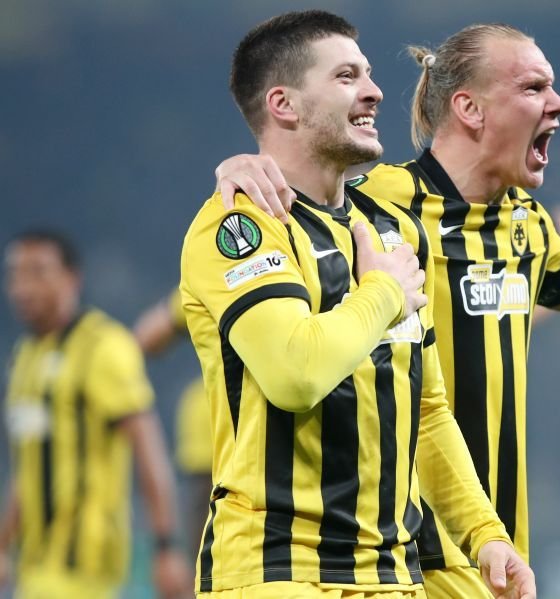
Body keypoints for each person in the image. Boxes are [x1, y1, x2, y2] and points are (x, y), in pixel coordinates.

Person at [213, 21, 560, 598]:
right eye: (533, 87)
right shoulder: (379, 206)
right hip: (401, 557)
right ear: (470, 109)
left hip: (494, 557)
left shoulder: (524, 223)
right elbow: (285, 237)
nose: (558, 103)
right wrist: (244, 167)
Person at [180, 11, 534, 598]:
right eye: (347, 76)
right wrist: (383, 294)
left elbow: (427, 411)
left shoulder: (391, 230)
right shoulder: (241, 224)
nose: (374, 91)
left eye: (368, 74)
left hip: (392, 575)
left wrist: (484, 534)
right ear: (283, 104)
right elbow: (295, 375)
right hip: (281, 570)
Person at [0, 230, 193, 599]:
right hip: (32, 568)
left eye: (37, 272)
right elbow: (28, 467)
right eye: (15, 275)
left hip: (85, 570)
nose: (22, 287)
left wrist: (166, 545)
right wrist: (3, 545)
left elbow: (147, 446)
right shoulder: (24, 357)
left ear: (72, 278)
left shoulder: (103, 346)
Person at [133, 289, 213, 561]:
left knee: (207, 557)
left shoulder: (219, 276)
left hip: (214, 423)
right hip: (282, 430)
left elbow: (146, 336)